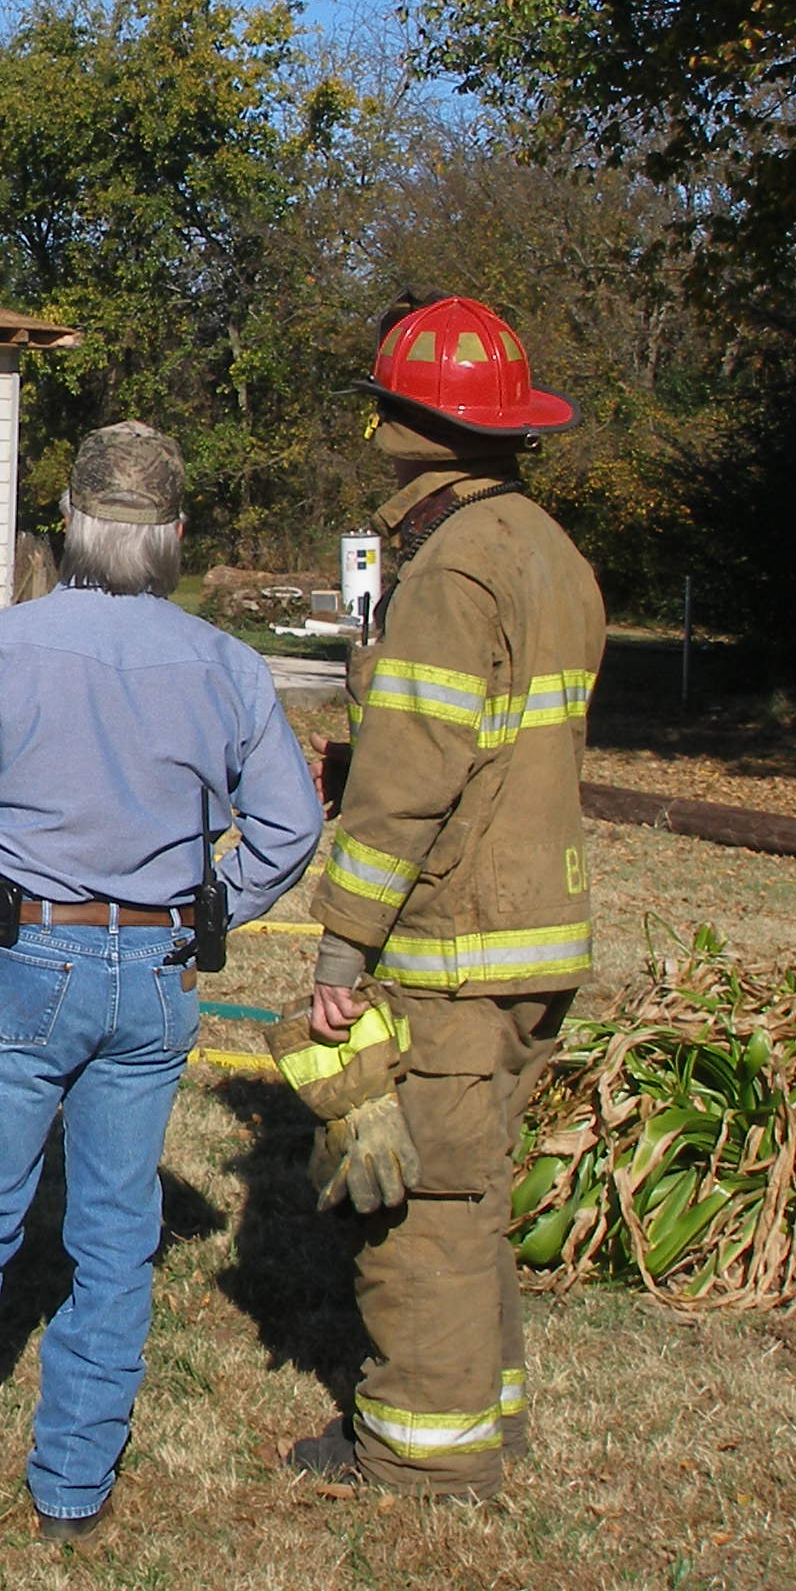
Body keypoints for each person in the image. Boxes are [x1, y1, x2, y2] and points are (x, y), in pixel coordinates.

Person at [0, 421, 321, 1542]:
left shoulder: (1, 646)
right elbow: (290, 825)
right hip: (157, 972)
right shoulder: (226, 665)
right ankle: (72, 1488)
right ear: (175, 534)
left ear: (70, 524)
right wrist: (216, 907)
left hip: (26, 954)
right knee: (117, 1236)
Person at [285, 295, 604, 1500]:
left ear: (402, 426)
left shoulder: (454, 566)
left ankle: (422, 1453)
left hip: (456, 940)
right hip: (534, 929)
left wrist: (341, 952)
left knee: (423, 1199)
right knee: (474, 1193)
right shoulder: (547, 548)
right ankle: (487, 1416)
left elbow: (415, 778)